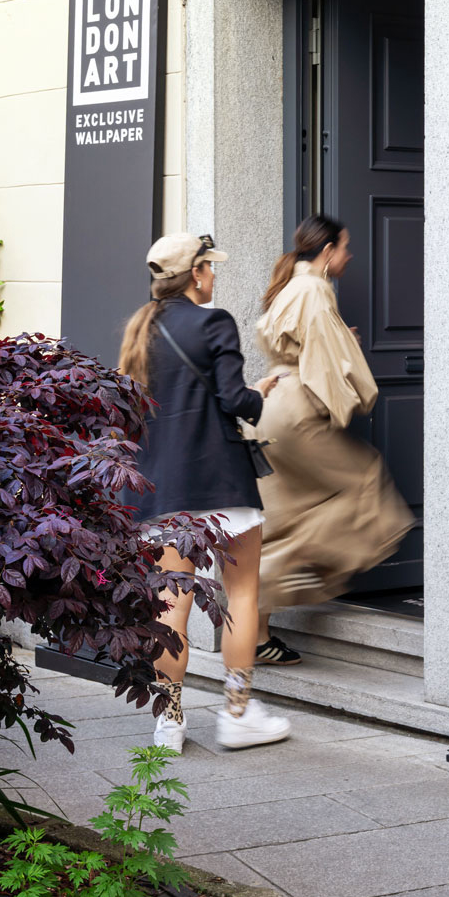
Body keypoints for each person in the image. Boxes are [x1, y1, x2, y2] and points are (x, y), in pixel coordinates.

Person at [117, 231, 291, 753]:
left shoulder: (140, 329)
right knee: (242, 594)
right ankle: (236, 714)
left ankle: (169, 722)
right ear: (195, 274)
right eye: (209, 266)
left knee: (171, 603)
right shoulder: (214, 322)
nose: (214, 274)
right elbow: (234, 399)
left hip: (162, 489)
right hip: (220, 481)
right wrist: (260, 394)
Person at [255, 214, 414, 632]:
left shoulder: (290, 286)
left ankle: (259, 633)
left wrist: (343, 340)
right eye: (345, 246)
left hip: (270, 408)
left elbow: (308, 344)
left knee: (285, 512)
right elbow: (329, 362)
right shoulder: (315, 289)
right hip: (297, 410)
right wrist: (359, 391)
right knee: (365, 481)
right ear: (327, 252)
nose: (350, 254)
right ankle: (281, 568)